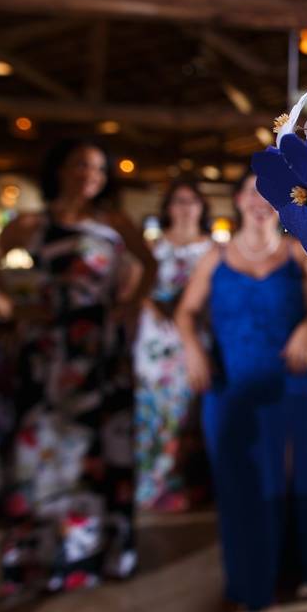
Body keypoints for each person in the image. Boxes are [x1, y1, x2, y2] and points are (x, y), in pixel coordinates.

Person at [0, 138, 156, 597]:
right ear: (61, 168)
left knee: (95, 453)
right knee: (38, 454)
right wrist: (12, 308)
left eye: (99, 168)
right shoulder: (32, 222)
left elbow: (147, 264)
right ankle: (35, 560)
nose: (92, 174)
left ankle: (90, 556)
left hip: (100, 350)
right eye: (82, 165)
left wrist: (129, 304)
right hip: (45, 350)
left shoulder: (113, 222)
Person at [175, 171, 307, 609]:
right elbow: (186, 313)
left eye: (270, 192)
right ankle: (248, 579)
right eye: (251, 191)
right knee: (241, 486)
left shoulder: (299, 252)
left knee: (290, 480)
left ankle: (289, 574)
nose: (260, 199)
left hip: (289, 382)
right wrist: (192, 348)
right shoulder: (215, 256)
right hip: (232, 387)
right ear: (237, 200)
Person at [133, 182, 213, 511]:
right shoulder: (152, 247)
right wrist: (149, 302)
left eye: (192, 201)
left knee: (185, 416)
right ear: (167, 207)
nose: (185, 208)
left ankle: (183, 481)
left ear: (201, 208)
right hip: (154, 340)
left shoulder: (211, 249)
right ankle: (149, 484)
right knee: (151, 415)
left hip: (192, 339)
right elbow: (133, 287)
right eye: (178, 201)